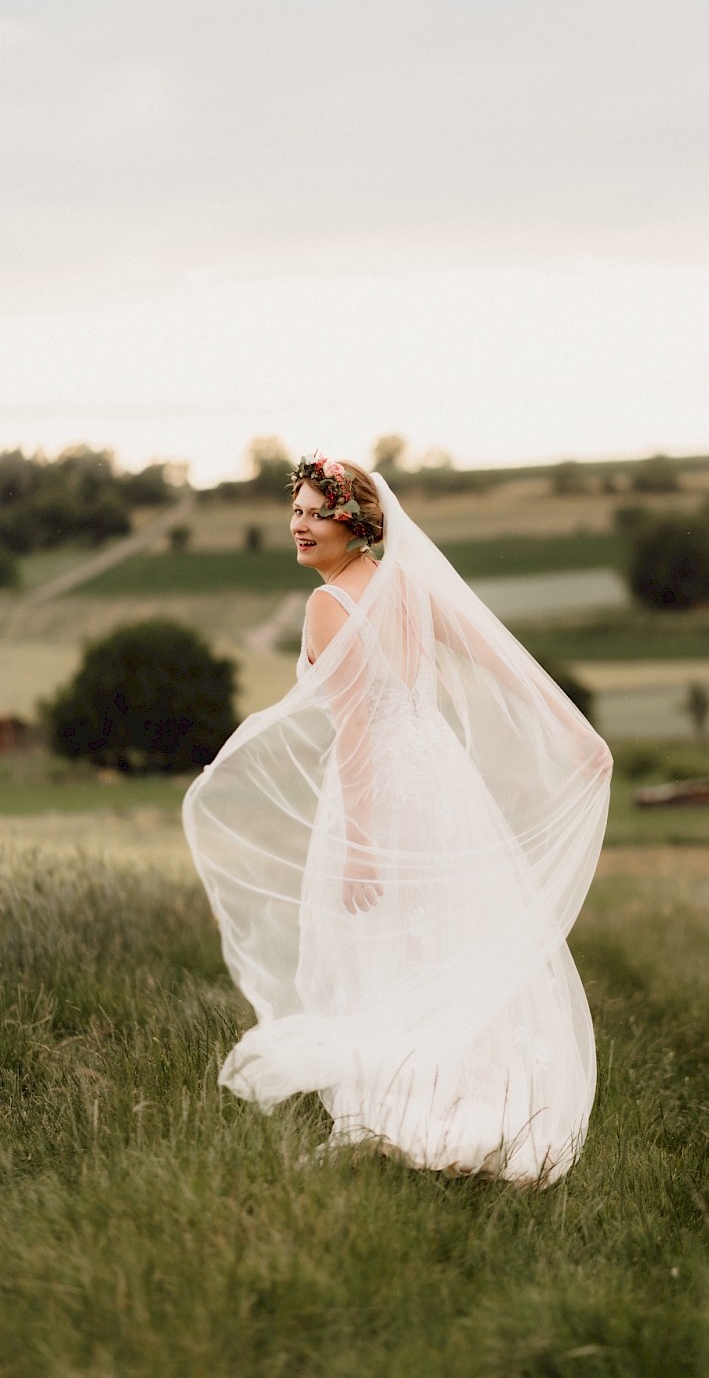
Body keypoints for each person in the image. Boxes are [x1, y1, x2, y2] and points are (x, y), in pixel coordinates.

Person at [183, 453, 612, 1183]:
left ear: (352, 525)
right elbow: (501, 660)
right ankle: (488, 1098)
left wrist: (358, 843)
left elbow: (354, 732)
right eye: (296, 511)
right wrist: (571, 728)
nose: (299, 525)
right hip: (443, 787)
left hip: (378, 795)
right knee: (445, 942)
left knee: (388, 952)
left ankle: (421, 1111)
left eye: (315, 513)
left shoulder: (330, 607)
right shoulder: (406, 587)